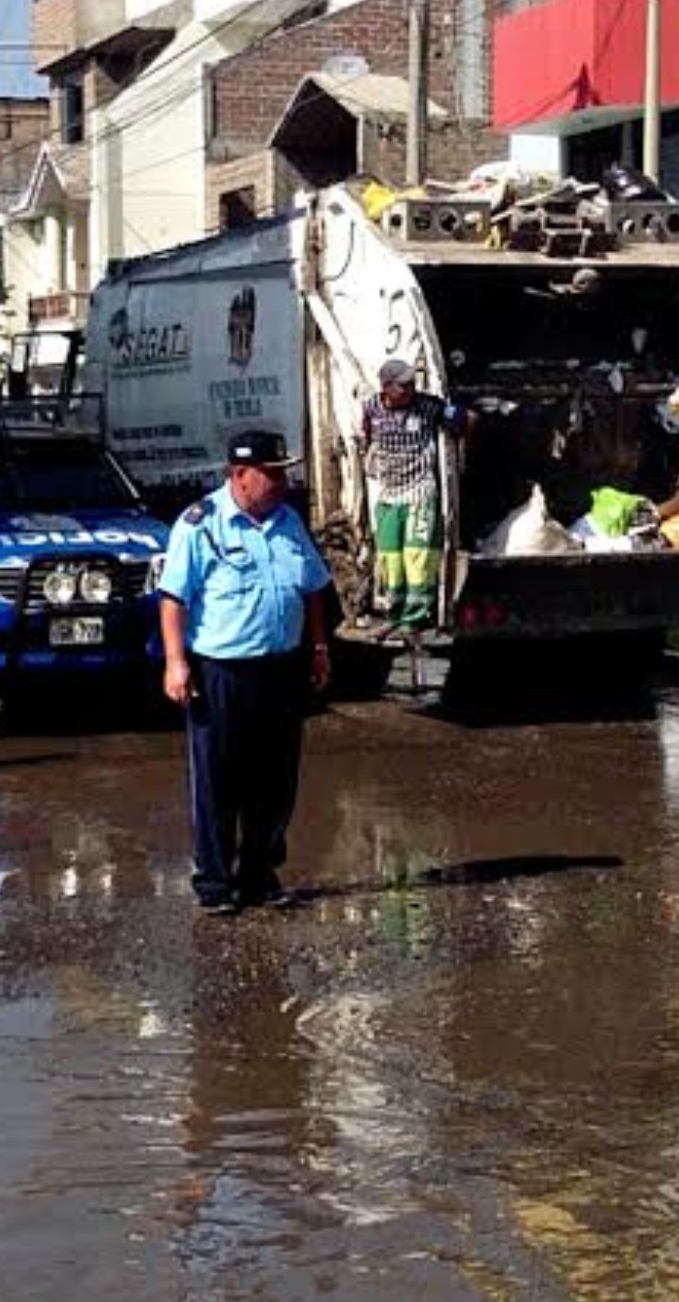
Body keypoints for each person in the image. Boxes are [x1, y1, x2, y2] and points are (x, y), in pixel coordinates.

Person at [157, 431, 335, 917]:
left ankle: (259, 873)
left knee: (275, 779)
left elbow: (312, 587)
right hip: (221, 671)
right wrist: (176, 663)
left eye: (284, 472)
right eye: (271, 472)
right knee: (219, 780)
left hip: (281, 668)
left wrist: (318, 647)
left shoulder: (288, 521)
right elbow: (174, 599)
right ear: (240, 474)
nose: (281, 481)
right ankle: (215, 881)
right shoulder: (199, 525)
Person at [357, 359, 468, 632]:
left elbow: (462, 419)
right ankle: (395, 612)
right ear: (386, 388)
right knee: (390, 557)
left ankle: (416, 616)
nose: (410, 389)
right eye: (403, 385)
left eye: (412, 383)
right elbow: (365, 437)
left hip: (420, 491)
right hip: (389, 492)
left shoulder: (428, 406)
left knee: (417, 556)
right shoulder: (371, 408)